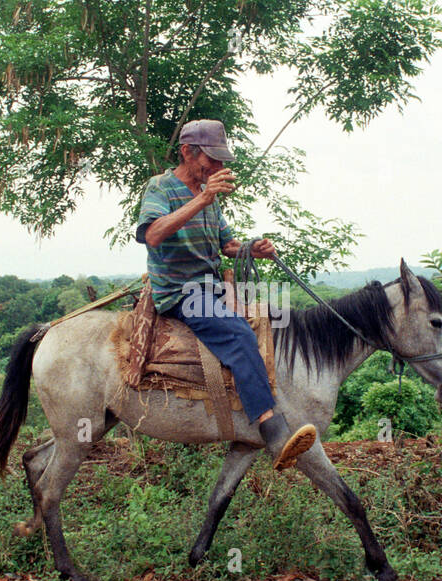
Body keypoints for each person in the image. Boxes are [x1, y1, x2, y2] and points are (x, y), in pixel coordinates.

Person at [135, 119, 317, 469]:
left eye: (221, 161)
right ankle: (273, 432)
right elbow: (153, 235)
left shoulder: (211, 199)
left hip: (213, 287)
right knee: (238, 332)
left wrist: (252, 248)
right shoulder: (160, 188)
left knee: (275, 317)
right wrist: (203, 198)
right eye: (212, 160)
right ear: (187, 152)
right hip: (181, 292)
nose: (218, 168)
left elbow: (227, 244)